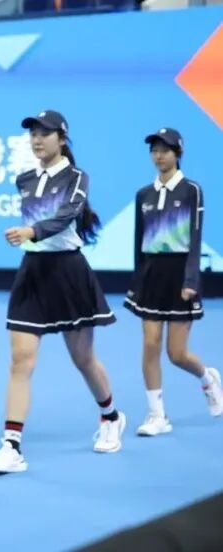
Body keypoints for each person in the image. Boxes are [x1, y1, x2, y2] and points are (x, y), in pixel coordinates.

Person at [0, 110, 125, 475]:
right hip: (32, 272)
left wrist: (31, 232)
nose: (37, 139)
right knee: (21, 360)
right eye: (33, 133)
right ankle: (11, 446)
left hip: (69, 272)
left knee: (83, 359)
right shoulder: (25, 179)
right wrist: (30, 239)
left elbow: (66, 216)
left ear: (62, 139)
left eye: (44, 133)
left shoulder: (76, 177)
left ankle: (111, 416)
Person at [124, 127, 223, 436]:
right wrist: (137, 282)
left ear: (178, 153)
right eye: (154, 150)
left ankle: (207, 377)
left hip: (181, 277)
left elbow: (195, 237)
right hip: (151, 278)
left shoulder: (192, 190)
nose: (158, 156)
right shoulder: (143, 195)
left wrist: (191, 279)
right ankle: (157, 415)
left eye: (164, 150)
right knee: (150, 344)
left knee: (176, 353)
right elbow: (138, 241)